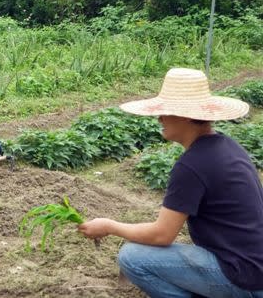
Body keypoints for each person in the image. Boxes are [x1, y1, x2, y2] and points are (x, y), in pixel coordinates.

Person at [78, 68, 263, 297]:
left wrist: (108, 226)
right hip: (254, 267)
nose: (159, 118)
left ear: (185, 115)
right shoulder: (229, 147)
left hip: (241, 278)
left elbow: (162, 235)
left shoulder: (192, 165)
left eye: (165, 112)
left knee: (132, 258)